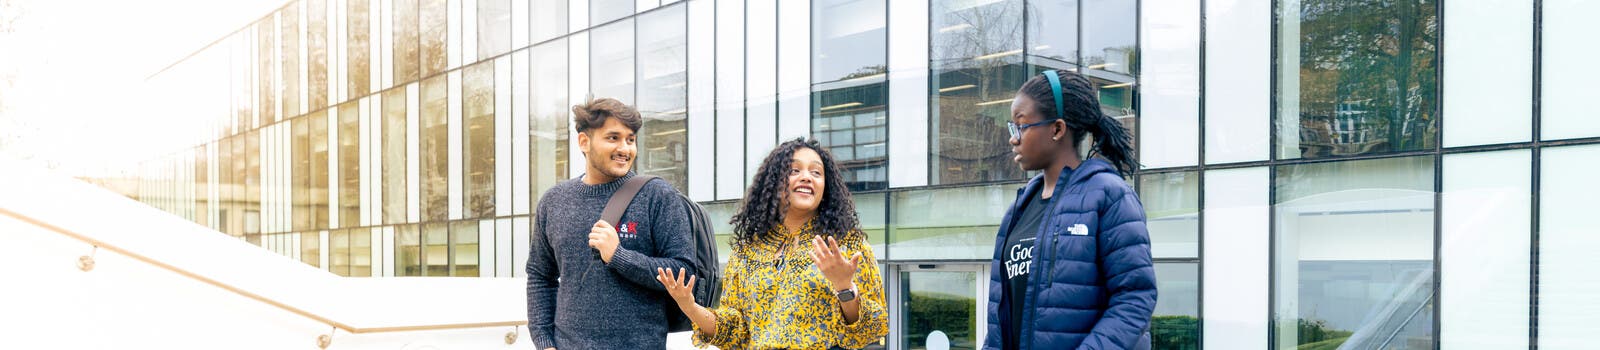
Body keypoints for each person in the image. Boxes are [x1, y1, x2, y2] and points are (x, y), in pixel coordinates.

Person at [656, 138, 889, 349]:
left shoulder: (848, 244)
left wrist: (844, 287)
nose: (806, 177)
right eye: (794, 170)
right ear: (773, 182)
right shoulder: (747, 251)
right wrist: (690, 306)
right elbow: (734, 333)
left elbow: (873, 328)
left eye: (816, 172)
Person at [983, 70, 1157, 350]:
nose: (1013, 139)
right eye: (1012, 128)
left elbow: (1134, 298)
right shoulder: (1019, 208)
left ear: (1057, 129)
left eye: (1021, 126)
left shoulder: (1110, 196)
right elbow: (1001, 313)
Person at [526, 98, 697, 350]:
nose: (624, 148)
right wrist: (544, 342)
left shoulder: (657, 195)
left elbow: (685, 272)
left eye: (630, 139)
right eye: (613, 138)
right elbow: (540, 277)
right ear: (584, 142)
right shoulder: (554, 201)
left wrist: (619, 256)